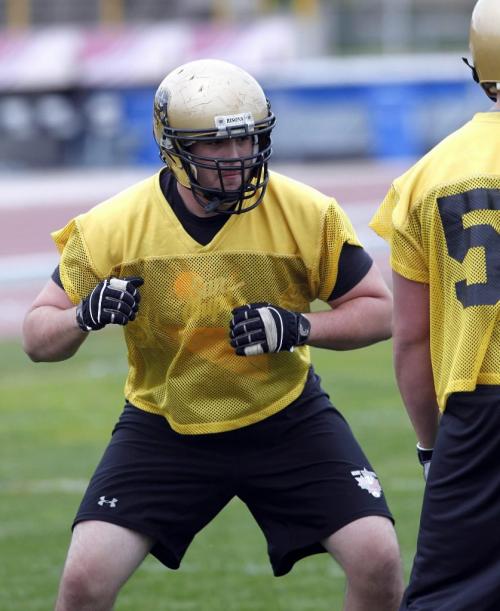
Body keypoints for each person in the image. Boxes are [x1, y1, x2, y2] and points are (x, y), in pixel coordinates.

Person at [23, 58, 403, 611]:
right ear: (174, 148)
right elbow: (36, 336)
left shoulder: (306, 211)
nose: (235, 159)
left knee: (379, 560)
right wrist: (83, 314)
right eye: (213, 145)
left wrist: (298, 327)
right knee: (83, 583)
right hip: (164, 422)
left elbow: (379, 311)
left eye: (246, 139)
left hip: (285, 416)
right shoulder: (113, 225)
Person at [370, 1, 500, 608]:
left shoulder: (427, 175)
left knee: (452, 596)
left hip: (479, 412)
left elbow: (412, 340)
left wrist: (432, 446)